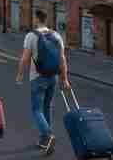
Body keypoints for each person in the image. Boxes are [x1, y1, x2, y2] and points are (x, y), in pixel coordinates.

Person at [15, 9, 70, 154]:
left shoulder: (31, 36)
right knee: (47, 107)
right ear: (46, 20)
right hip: (52, 77)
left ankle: (48, 135)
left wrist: (20, 75)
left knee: (36, 110)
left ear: (36, 19)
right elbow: (62, 59)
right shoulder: (56, 35)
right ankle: (43, 140)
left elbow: (25, 58)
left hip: (37, 78)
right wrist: (64, 78)